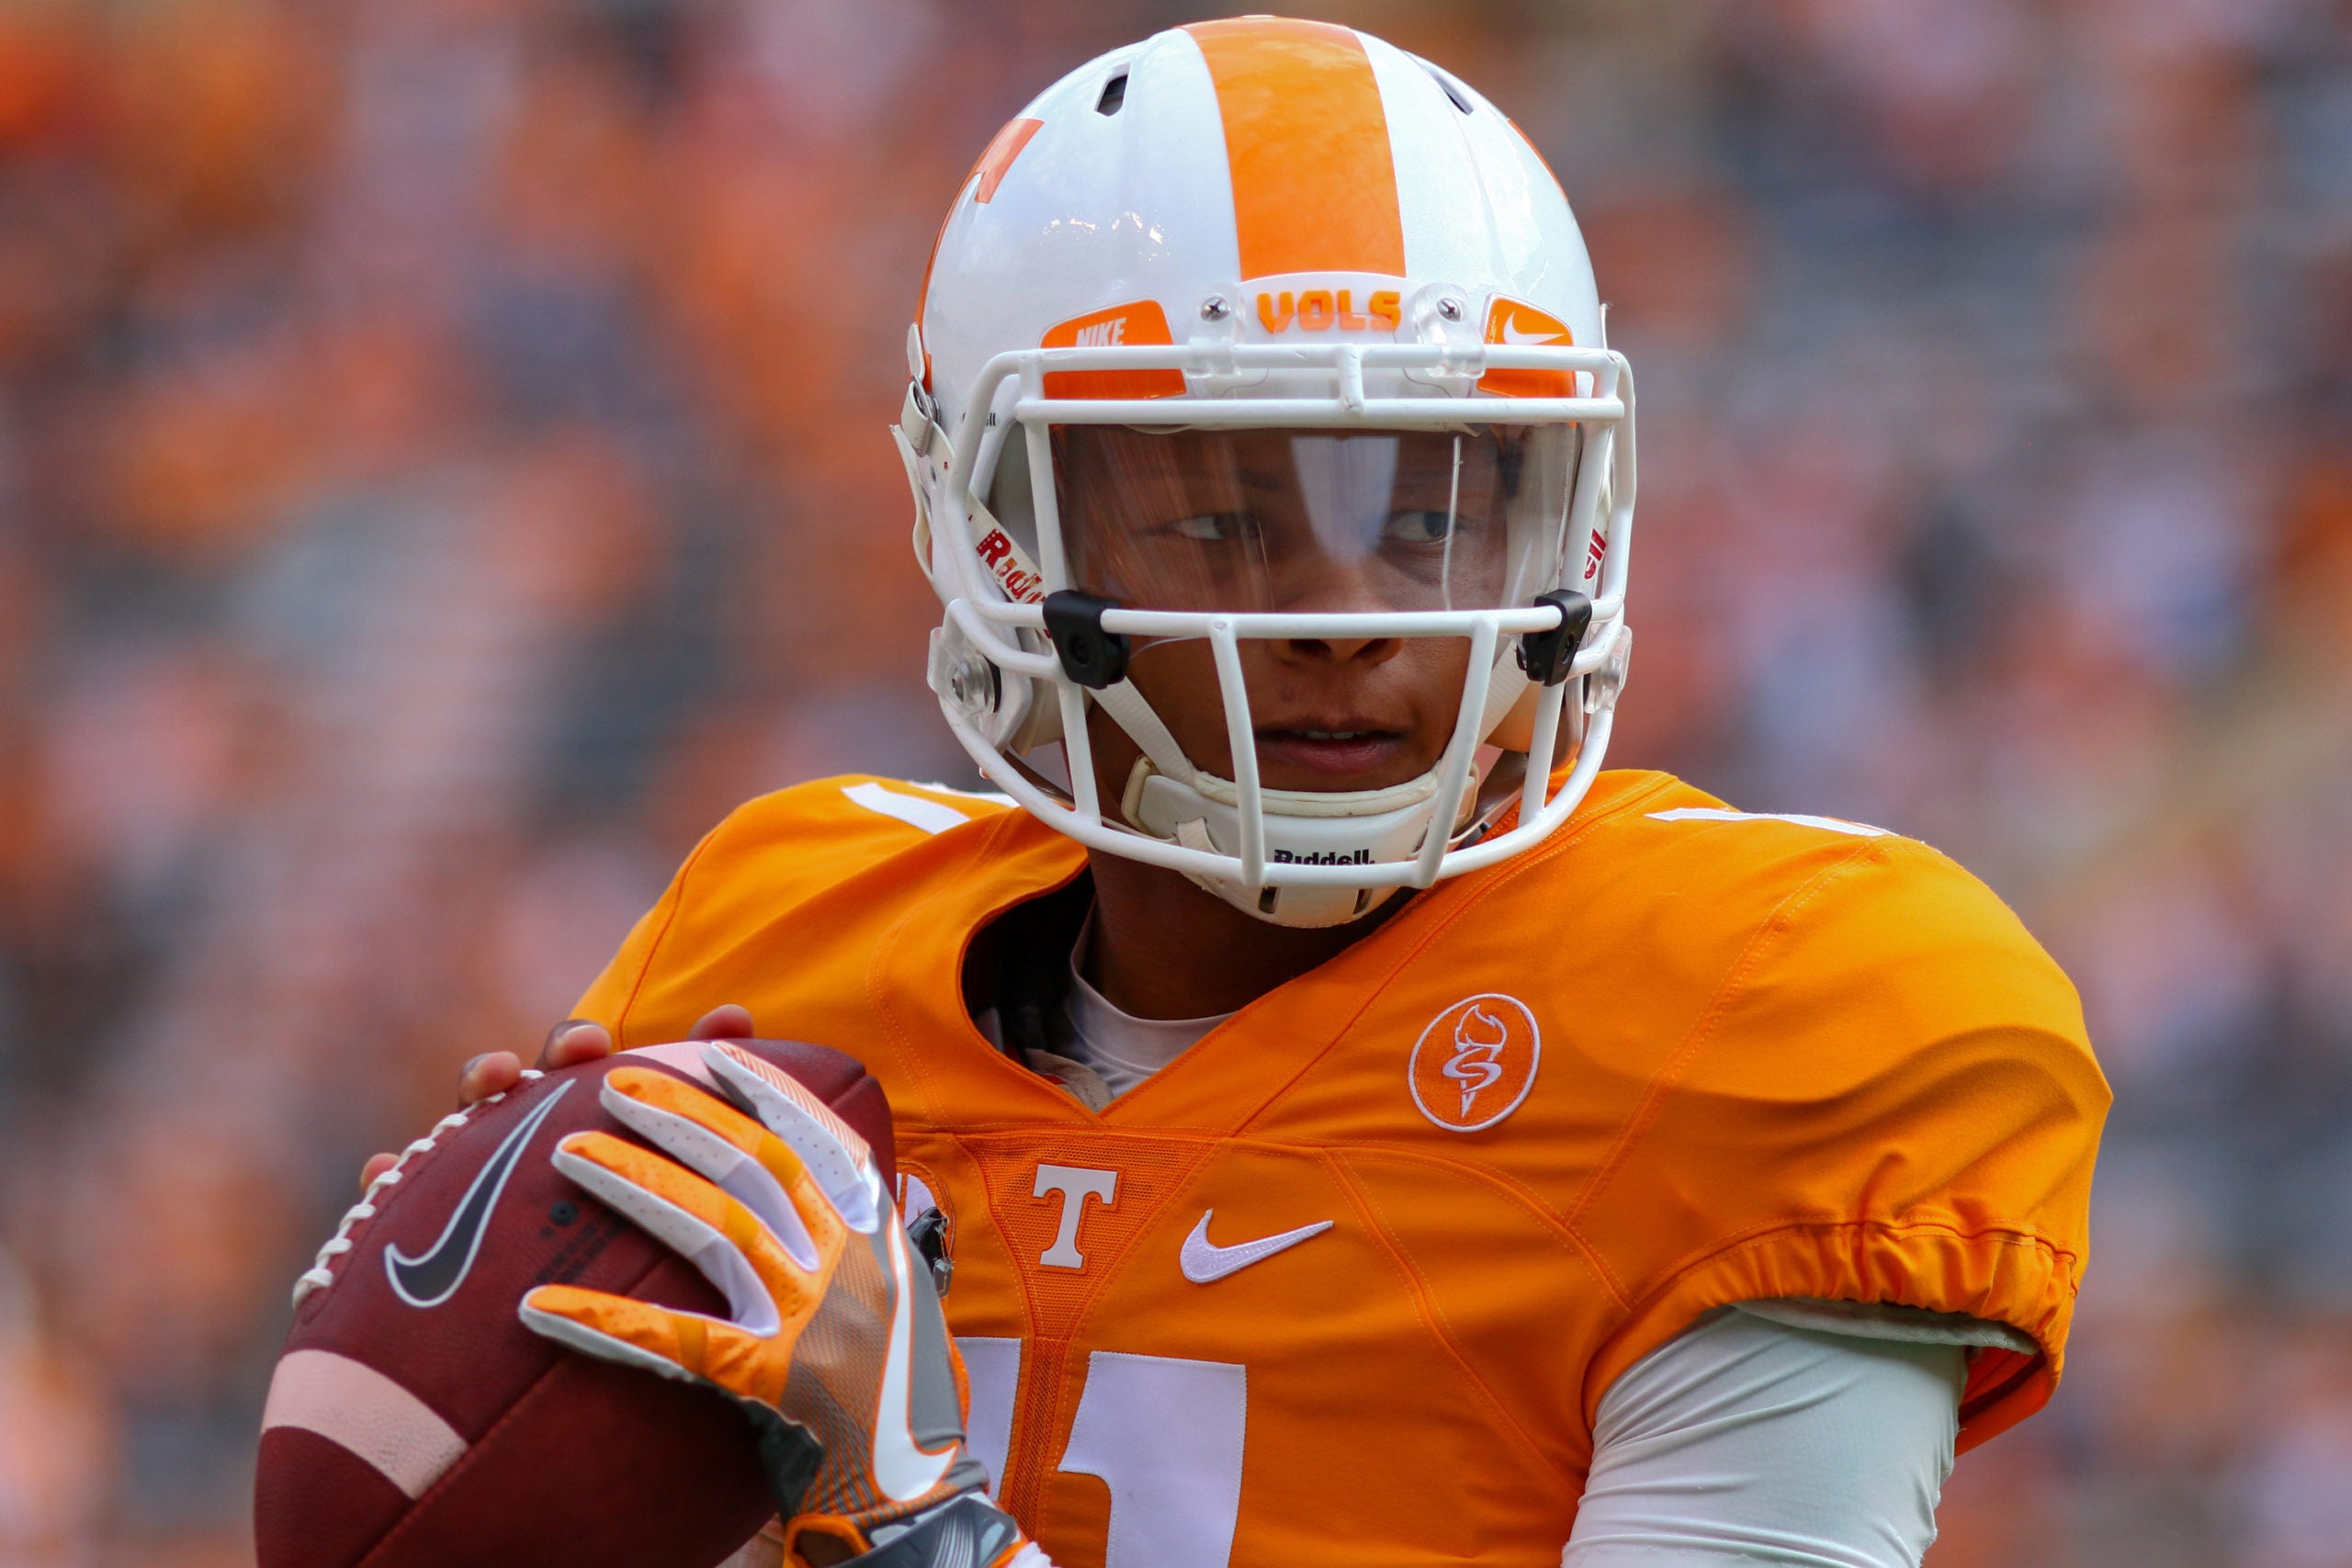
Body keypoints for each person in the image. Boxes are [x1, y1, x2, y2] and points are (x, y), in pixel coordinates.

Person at [368, 17, 2108, 1568]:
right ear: (991, 532)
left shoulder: (1775, 1006)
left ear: (1569, 517)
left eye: (1428, 517)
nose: (1345, 620)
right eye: (1219, 519)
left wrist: (913, 1519)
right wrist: (564, 1403)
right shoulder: (782, 942)